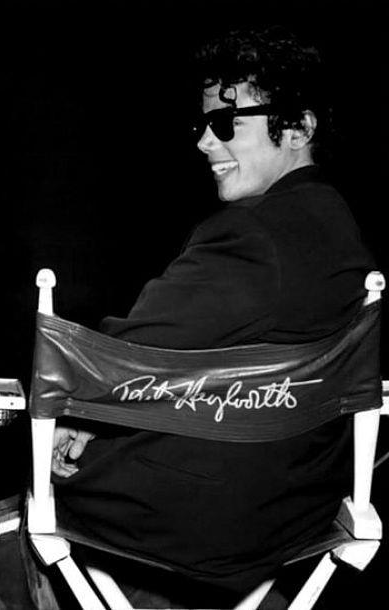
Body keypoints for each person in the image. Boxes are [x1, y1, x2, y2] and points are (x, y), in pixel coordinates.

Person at [51, 25, 375, 605]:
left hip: (206, 519)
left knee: (4, 518)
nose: (204, 142)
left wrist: (74, 411)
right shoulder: (336, 225)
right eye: (202, 125)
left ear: (298, 128)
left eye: (226, 123)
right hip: (295, 508)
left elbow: (119, 358)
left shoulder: (252, 234)